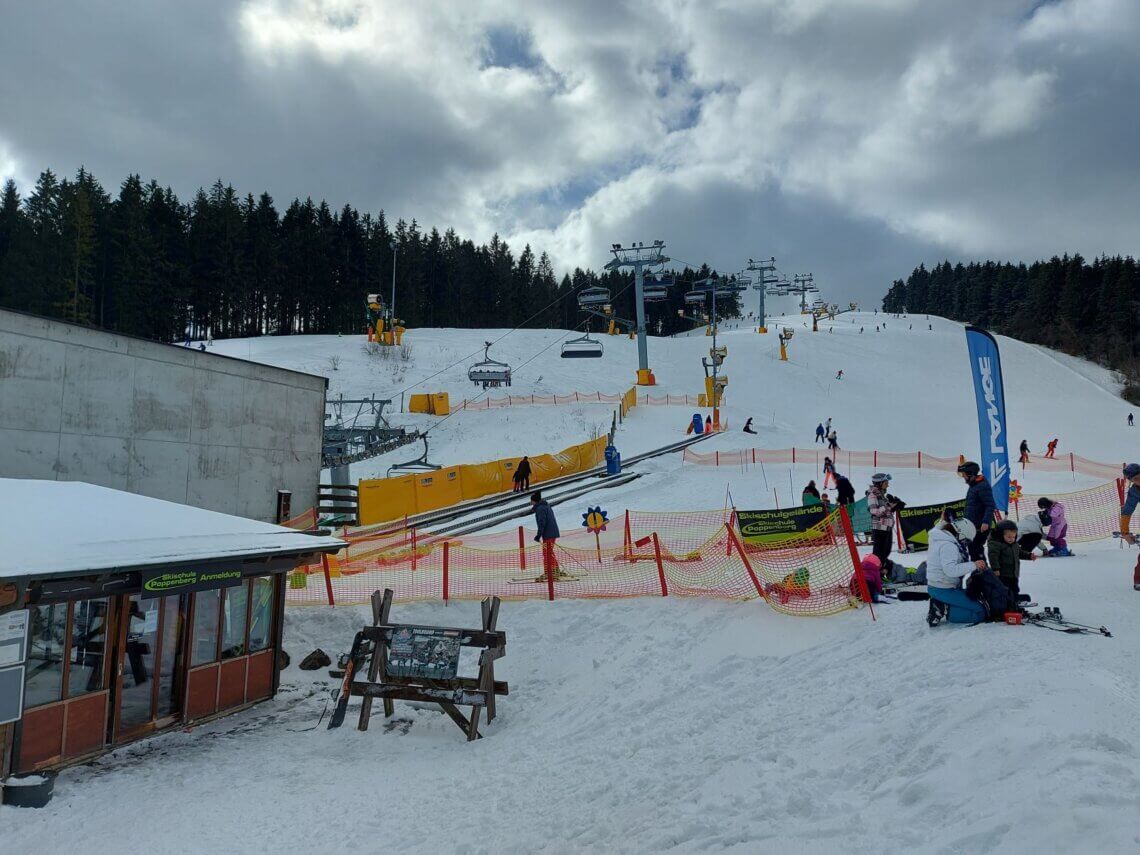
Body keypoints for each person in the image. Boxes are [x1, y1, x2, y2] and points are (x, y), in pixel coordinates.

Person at [925, 513, 988, 625]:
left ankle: (942, 603)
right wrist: (974, 564)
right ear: (960, 534)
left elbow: (940, 525)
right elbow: (950, 570)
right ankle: (945, 608)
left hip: (940, 586)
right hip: (943, 588)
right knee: (980, 612)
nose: (965, 544)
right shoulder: (948, 545)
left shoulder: (940, 536)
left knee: (977, 603)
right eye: (966, 541)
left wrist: (944, 519)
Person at [987, 519, 1036, 597]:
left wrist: (1029, 555)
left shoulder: (1014, 544)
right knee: (1004, 588)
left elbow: (1019, 553)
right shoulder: (996, 544)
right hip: (1002, 573)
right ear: (1000, 535)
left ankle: (1014, 600)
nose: (1011, 539)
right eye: (1009, 537)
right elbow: (993, 557)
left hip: (1013, 573)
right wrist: (995, 569)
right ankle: (1004, 601)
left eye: (1013, 537)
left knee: (1014, 588)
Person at [957, 460, 995, 560]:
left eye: (964, 475)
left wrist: (986, 522)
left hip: (980, 526)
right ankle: (978, 573)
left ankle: (984, 573)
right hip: (972, 525)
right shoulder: (974, 486)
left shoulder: (982, 486)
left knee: (976, 551)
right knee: (973, 552)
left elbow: (990, 505)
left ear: (971, 474)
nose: (963, 477)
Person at [867, 473, 902, 576]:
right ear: (879, 483)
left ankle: (879, 575)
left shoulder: (881, 495)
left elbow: (886, 511)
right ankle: (875, 575)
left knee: (885, 552)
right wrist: (888, 506)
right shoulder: (872, 495)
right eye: (886, 483)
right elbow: (874, 511)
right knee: (879, 554)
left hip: (886, 527)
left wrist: (894, 507)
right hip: (879, 528)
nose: (888, 485)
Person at [531, 492, 566, 582]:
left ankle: (549, 572)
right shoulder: (545, 506)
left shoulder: (540, 509)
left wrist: (538, 535)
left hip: (548, 533)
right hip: (551, 532)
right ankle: (555, 570)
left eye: (531, 501)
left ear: (535, 501)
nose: (531, 503)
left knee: (546, 553)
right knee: (549, 552)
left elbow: (542, 522)